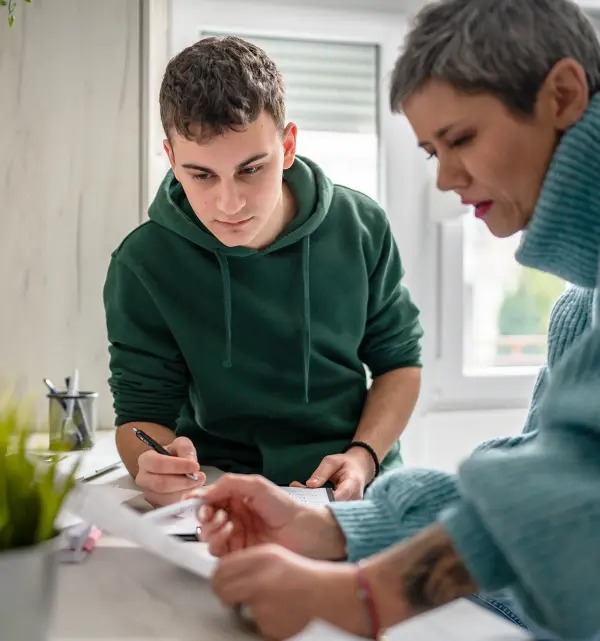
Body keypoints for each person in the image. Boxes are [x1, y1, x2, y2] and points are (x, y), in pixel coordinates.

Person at [194, 0, 600, 639]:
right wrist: (331, 527)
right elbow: (531, 479)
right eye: (432, 151)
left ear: (563, 94)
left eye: (461, 139)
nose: (445, 180)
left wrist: (364, 596)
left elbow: (574, 499)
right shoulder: (580, 307)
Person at [103, 36, 423, 507]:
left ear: (288, 145)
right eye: (202, 175)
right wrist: (150, 464)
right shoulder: (143, 263)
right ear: (171, 160)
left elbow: (399, 363)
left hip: (352, 486)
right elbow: (140, 416)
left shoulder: (361, 226)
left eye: (251, 169)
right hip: (218, 492)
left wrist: (363, 456)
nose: (228, 204)